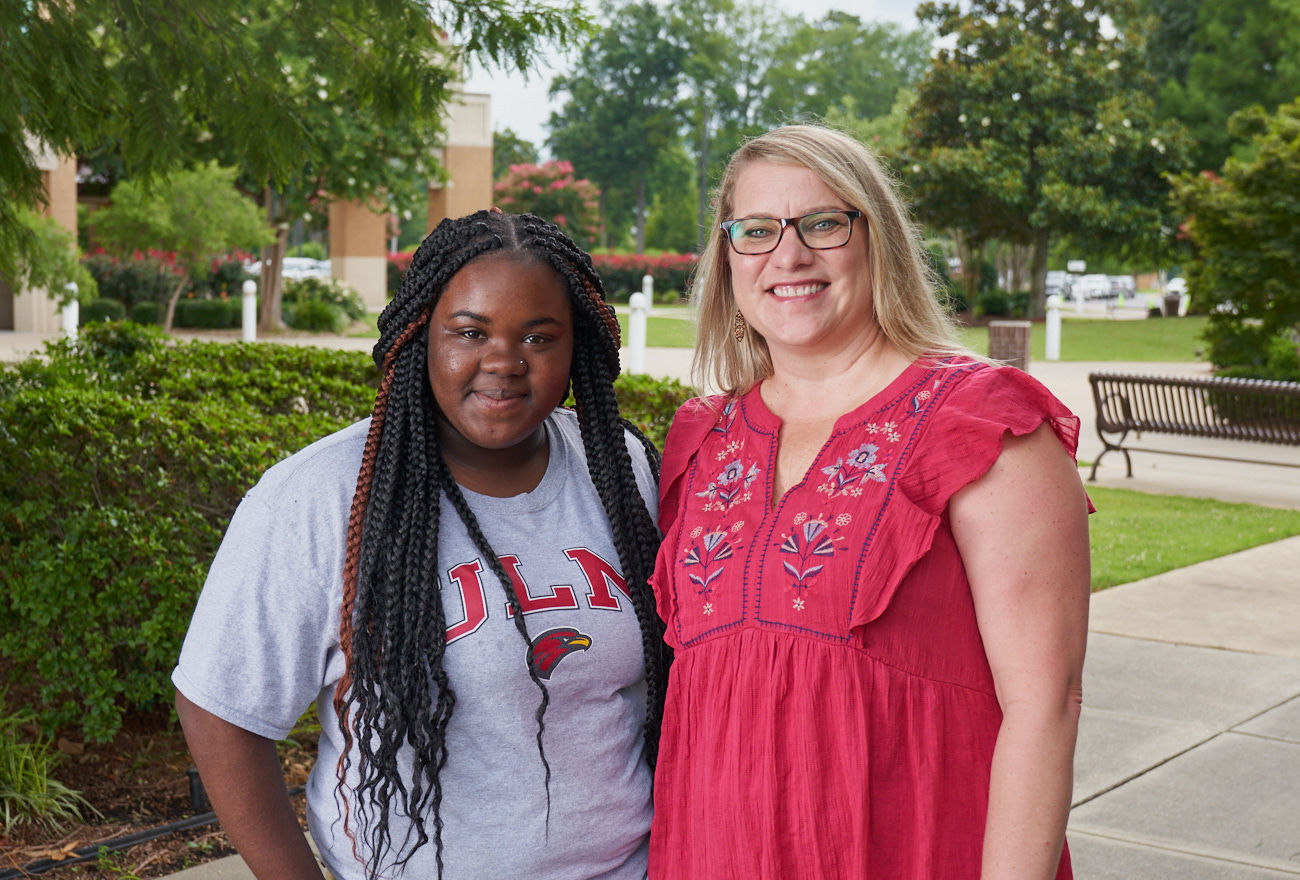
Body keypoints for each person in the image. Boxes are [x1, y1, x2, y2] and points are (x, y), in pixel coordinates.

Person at [648, 125, 1092, 879]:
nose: (788, 256)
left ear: (875, 236)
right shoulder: (703, 436)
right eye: (756, 231)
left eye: (823, 223)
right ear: (727, 259)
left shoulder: (981, 422)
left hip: (913, 847)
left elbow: (1045, 707)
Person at [173, 210, 670, 880]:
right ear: (420, 336)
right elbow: (221, 709)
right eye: (470, 332)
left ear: (575, 346)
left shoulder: (623, 469)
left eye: (539, 337)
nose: (503, 362)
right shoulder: (320, 496)